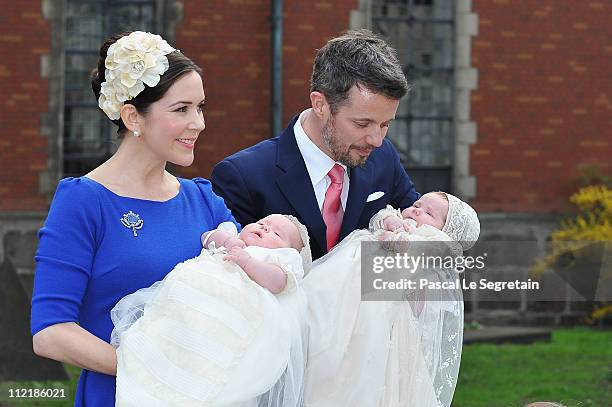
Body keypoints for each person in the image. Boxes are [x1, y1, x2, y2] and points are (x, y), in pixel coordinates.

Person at [30, 31, 238, 407]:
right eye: (182, 109)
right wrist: (151, 369)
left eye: (200, 107)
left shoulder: (203, 200)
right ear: (132, 117)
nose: (199, 123)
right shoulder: (83, 201)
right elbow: (51, 332)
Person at [211, 29, 420, 261]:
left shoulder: (385, 158)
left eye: (385, 124)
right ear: (320, 105)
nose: (377, 140)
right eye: (362, 123)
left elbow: (422, 233)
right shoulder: (242, 177)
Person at [111, 214, 311, 406]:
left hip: (226, 321)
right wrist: (229, 241)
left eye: (277, 234)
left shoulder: (275, 260)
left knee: (211, 366)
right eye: (262, 223)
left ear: (289, 251)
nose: (265, 228)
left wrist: (247, 262)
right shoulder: (232, 238)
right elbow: (206, 237)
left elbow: (278, 282)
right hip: (189, 306)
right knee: (167, 342)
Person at [302, 192, 480, 407]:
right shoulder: (400, 220)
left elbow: (414, 252)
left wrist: (397, 237)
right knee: (317, 295)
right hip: (340, 282)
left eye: (429, 213)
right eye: (417, 204)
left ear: (444, 231)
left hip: (374, 308)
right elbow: (381, 216)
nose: (416, 210)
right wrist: (390, 221)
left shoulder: (431, 241)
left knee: (359, 360)